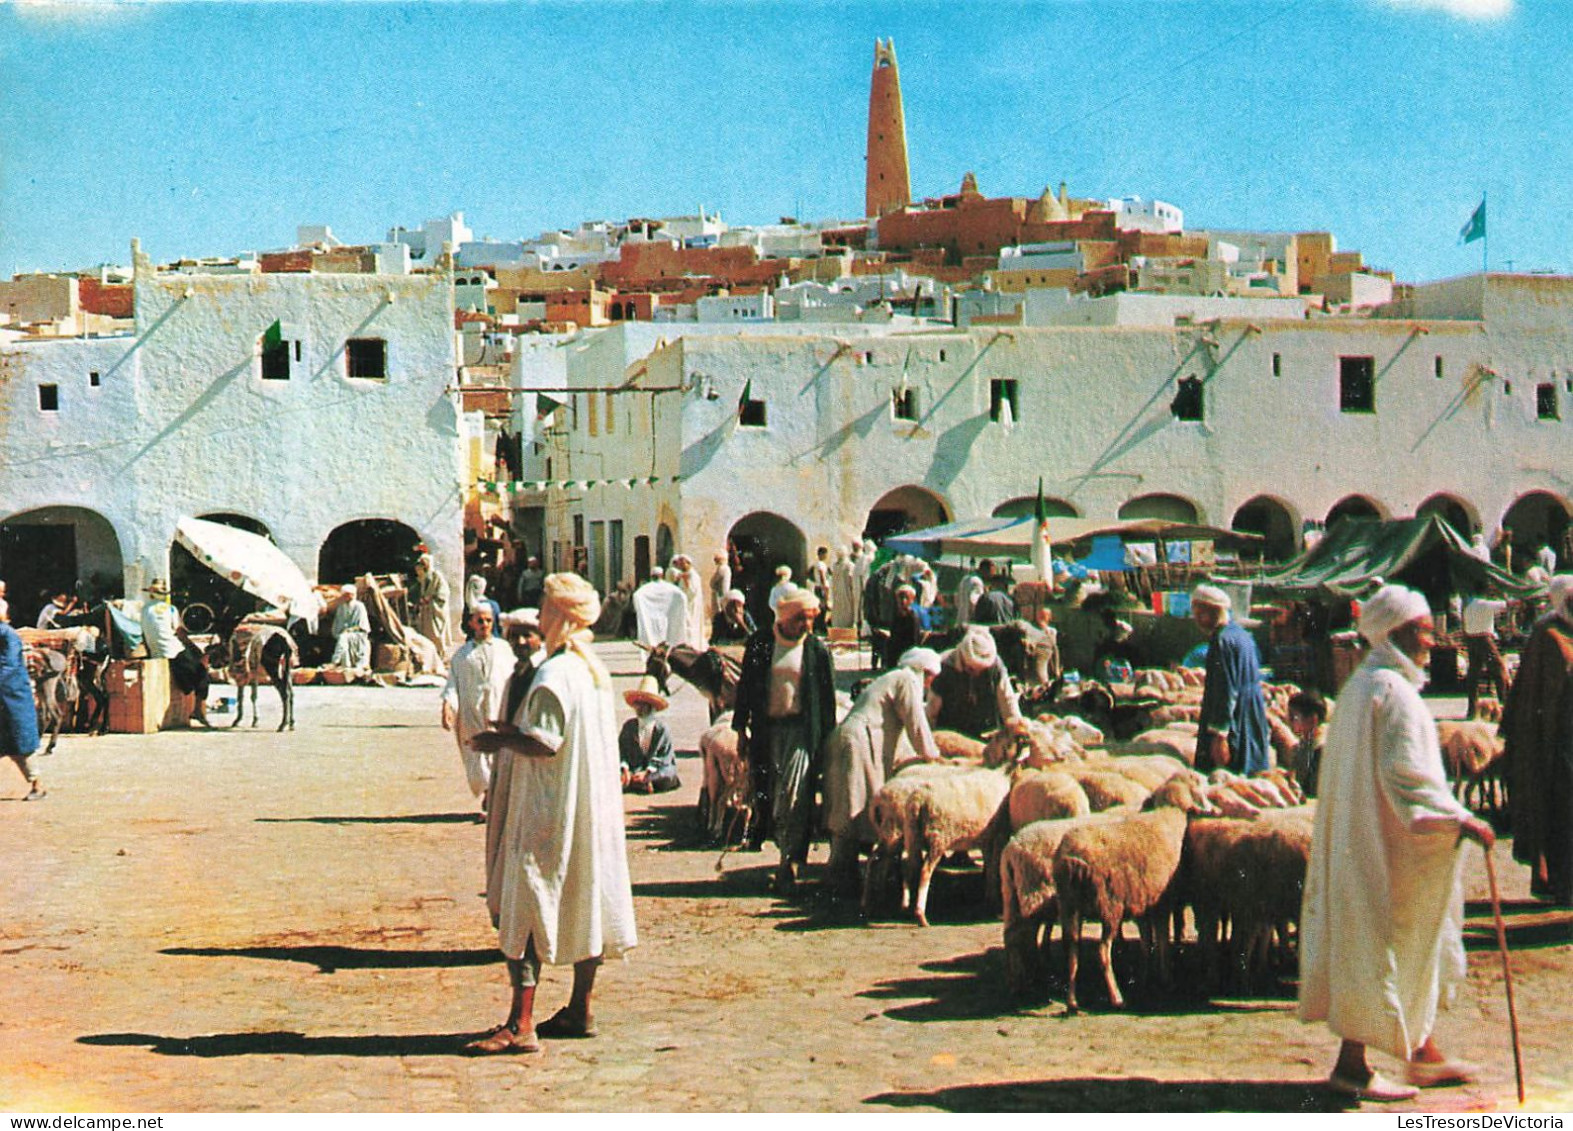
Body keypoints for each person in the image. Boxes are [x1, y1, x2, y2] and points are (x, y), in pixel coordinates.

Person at [1298, 583, 1496, 1101]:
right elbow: (1408, 778)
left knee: (1384, 945)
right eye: (1426, 631)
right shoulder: (1394, 694)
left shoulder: (1362, 688)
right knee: (1385, 944)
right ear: (1399, 633)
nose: (1434, 641)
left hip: (1363, 841)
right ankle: (1354, 1068)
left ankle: (1421, 1053)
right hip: (1384, 847)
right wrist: (1460, 821)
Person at [466, 573, 637, 1055]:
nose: (539, 615)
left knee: (525, 904)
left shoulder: (556, 673)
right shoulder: (591, 670)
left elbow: (543, 742)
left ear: (560, 614)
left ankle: (521, 1024)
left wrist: (497, 740)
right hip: (588, 809)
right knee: (588, 899)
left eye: (544, 606)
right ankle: (581, 1008)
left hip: (549, 807)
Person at [732, 586, 836, 893]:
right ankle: (784, 853)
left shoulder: (816, 650)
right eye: (801, 619)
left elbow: (826, 700)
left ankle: (788, 861)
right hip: (767, 731)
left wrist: (827, 740)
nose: (806, 625)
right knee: (770, 795)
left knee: (794, 796)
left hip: (801, 733)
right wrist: (740, 730)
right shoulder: (762, 643)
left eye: (811, 619)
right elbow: (747, 688)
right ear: (787, 617)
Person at [822, 646, 943, 891]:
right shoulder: (907, 680)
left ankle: (844, 871)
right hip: (858, 742)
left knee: (847, 803)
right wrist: (932, 755)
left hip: (848, 737)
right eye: (931, 677)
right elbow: (915, 722)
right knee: (853, 805)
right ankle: (843, 875)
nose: (930, 683)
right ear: (926, 671)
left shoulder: (891, 678)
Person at [1502, 574, 1573, 906]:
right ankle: (1560, 883)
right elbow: (1530, 698)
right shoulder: (1547, 635)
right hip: (1555, 747)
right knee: (1560, 816)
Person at [442, 603, 516, 808]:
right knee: (476, 753)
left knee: (500, 752)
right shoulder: (462, 655)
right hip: (471, 712)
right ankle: (487, 793)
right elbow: (452, 684)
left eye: (488, 620)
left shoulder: (504, 649)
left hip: (498, 709)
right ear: (471, 623)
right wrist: (448, 706)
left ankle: (493, 798)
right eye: (480, 620)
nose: (484, 624)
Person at [1191, 584, 1269, 774]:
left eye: (1199, 613)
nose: (1197, 620)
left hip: (1235, 719)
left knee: (1226, 778)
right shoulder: (1242, 635)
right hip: (1252, 713)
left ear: (1211, 611)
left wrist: (1220, 735)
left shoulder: (1221, 641)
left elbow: (1224, 688)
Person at [140, 579, 212, 728]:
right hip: (173, 650)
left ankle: (193, 705)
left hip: (156, 652)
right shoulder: (171, 609)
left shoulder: (144, 610)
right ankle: (198, 710)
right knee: (202, 671)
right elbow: (180, 633)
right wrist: (195, 648)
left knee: (188, 676)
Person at [927, 625, 1021, 738]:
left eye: (982, 671)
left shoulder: (996, 666)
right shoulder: (944, 666)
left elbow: (1008, 702)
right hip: (951, 733)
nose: (977, 674)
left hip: (985, 730)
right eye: (971, 669)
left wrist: (1016, 728)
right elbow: (931, 710)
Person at [1, 619, 45, 800]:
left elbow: (8, 667)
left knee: (21, 746)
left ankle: (38, 786)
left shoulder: (8, 635)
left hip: (12, 698)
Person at [618, 676, 680, 794]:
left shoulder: (661, 729)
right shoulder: (629, 726)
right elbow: (622, 752)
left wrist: (647, 773)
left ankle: (644, 782)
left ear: (651, 706)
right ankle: (638, 782)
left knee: (669, 774)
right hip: (633, 769)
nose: (639, 708)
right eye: (638, 704)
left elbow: (664, 758)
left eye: (643, 704)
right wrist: (625, 769)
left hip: (656, 771)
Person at [1461, 593, 1510, 719]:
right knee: (1498, 670)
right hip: (1484, 639)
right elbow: (1508, 604)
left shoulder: (1469, 605)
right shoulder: (1486, 604)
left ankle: (1472, 709)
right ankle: (1504, 705)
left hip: (1471, 638)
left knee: (1474, 673)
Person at [1286, 689, 1328, 799]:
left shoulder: (1322, 751)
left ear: (1312, 719)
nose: (1289, 721)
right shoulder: (1302, 746)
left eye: (1293, 717)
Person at [631, 567, 688, 650]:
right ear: (662, 575)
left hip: (651, 620)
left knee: (652, 635)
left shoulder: (644, 589)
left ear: (651, 576)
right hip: (668, 618)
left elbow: (636, 596)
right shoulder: (672, 588)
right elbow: (682, 596)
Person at [412, 554, 454, 654]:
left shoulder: (437, 577)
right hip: (427, 611)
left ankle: (441, 653)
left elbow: (443, 593)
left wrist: (430, 598)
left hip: (436, 610)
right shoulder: (424, 579)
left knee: (437, 633)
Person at [330, 583, 373, 678]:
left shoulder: (359, 606)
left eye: (348, 594)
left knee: (343, 638)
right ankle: (345, 665)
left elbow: (361, 625)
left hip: (358, 634)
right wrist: (338, 631)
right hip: (344, 633)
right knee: (342, 637)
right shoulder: (341, 607)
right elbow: (338, 622)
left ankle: (335, 661)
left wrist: (348, 631)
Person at [670, 554, 707, 648]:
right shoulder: (684, 575)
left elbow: (692, 591)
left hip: (691, 605)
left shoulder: (693, 575)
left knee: (690, 624)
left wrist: (686, 581)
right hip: (684, 605)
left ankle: (692, 644)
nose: (681, 565)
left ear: (688, 563)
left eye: (683, 563)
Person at [885, 584, 921, 665]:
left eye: (906, 598)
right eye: (901, 597)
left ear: (912, 600)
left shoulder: (913, 618)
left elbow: (914, 642)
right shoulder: (896, 616)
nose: (903, 601)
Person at [830, 548, 858, 631]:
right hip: (846, 590)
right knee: (846, 608)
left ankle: (838, 625)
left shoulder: (835, 565)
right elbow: (851, 578)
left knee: (839, 608)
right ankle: (845, 626)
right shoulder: (849, 565)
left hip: (838, 590)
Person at [808, 546, 833, 629]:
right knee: (822, 607)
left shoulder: (816, 564)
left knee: (821, 606)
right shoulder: (820, 564)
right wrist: (824, 587)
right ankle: (820, 625)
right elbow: (822, 576)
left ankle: (818, 625)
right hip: (821, 587)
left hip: (818, 587)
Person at [708, 550, 732, 624]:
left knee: (718, 613)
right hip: (722, 593)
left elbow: (712, 582)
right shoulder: (726, 568)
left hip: (719, 594)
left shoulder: (722, 568)